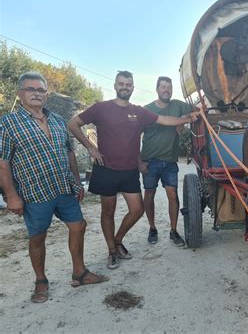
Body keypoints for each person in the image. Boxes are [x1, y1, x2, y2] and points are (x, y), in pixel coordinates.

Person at [69, 71, 198, 269]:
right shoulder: (101, 108)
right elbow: (73, 124)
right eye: (121, 84)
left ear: (133, 87)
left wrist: (188, 119)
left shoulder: (139, 112)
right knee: (108, 212)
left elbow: (164, 120)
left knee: (137, 210)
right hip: (106, 168)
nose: (125, 87)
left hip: (129, 170)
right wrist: (90, 147)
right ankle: (112, 251)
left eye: (128, 84)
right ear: (115, 85)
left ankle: (118, 239)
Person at [0, 71, 108, 304]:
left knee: (78, 226)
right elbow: (3, 161)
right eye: (31, 89)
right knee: (38, 237)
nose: (36, 93)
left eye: (41, 90)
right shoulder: (8, 123)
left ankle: (79, 272)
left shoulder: (58, 120)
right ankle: (41, 281)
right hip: (35, 193)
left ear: (46, 94)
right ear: (20, 94)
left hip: (63, 188)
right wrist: (11, 196)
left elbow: (69, 152)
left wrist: (77, 182)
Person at [139, 76, 193, 246]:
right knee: (149, 194)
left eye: (169, 87)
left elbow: (200, 109)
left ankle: (173, 231)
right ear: (157, 89)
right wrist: (138, 162)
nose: (166, 90)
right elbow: (134, 136)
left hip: (170, 161)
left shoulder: (177, 105)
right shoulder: (147, 110)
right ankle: (152, 228)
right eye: (163, 87)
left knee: (173, 195)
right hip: (150, 161)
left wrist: (186, 116)